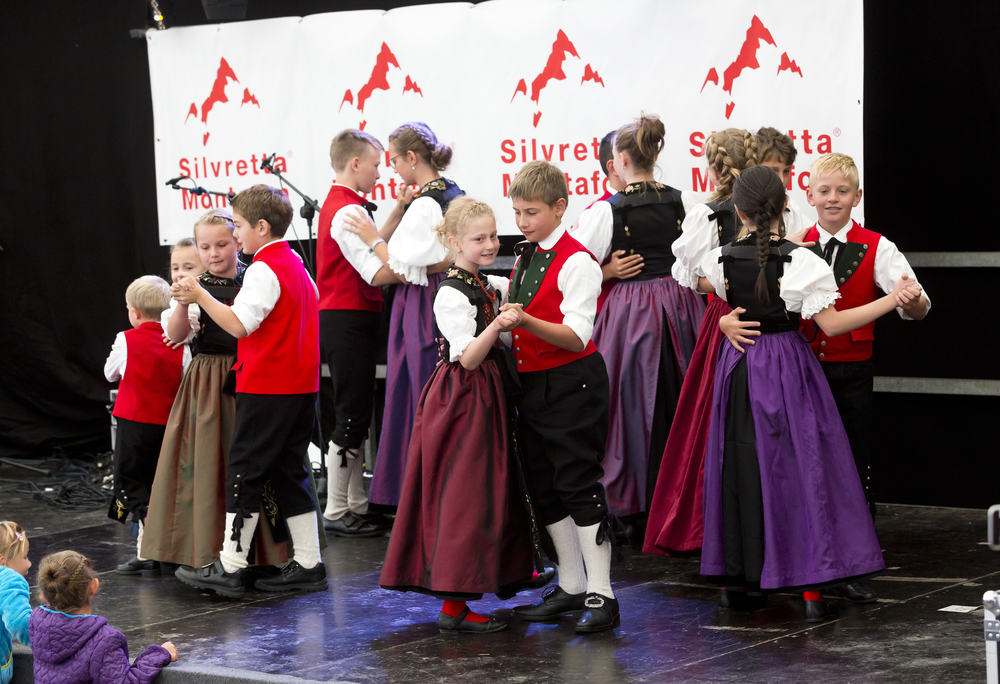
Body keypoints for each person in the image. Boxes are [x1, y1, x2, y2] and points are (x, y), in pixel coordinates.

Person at [698, 166, 919, 622]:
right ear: (785, 206)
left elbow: (704, 287)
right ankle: (809, 583)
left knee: (742, 468)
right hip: (785, 370)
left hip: (740, 369)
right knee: (801, 470)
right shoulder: (802, 261)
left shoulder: (720, 257)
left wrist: (723, 320)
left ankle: (738, 580)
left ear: (738, 210)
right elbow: (832, 324)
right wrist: (891, 300)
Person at [379, 197, 534, 634]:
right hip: (461, 398)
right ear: (452, 242)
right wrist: (498, 327)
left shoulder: (482, 282)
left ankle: (494, 575)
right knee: (463, 495)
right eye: (479, 238)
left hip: (483, 393)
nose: (489, 244)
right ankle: (453, 602)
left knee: (487, 489)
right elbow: (466, 357)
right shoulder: (450, 291)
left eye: (491, 236)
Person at [173, 184, 325, 597]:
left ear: (260, 225)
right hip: (300, 386)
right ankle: (309, 562)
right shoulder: (295, 263)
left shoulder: (264, 267)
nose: (236, 235)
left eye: (238, 226)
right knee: (290, 471)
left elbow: (239, 325)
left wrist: (200, 293)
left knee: (245, 471)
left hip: (269, 385)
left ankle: (231, 565)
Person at [498, 161, 619, 634]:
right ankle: (570, 584)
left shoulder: (578, 260)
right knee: (544, 484)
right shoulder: (528, 255)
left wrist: (522, 321)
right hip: (534, 385)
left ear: (560, 207)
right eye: (517, 212)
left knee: (578, 483)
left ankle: (602, 593)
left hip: (573, 383)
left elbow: (575, 335)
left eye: (531, 212)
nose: (522, 222)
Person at [572, 114, 704, 527]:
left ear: (622, 160)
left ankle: (632, 503)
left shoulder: (606, 211)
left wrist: (607, 271)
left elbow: (574, 264)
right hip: (682, 308)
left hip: (631, 315)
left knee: (628, 405)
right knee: (682, 397)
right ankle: (681, 499)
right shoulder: (686, 202)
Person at [142, 209, 287, 573]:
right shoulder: (196, 285)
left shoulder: (255, 277)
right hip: (208, 382)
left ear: (237, 241)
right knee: (207, 463)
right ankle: (206, 549)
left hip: (253, 377)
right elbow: (176, 336)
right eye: (205, 247)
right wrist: (182, 301)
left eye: (222, 244)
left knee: (255, 463)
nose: (214, 253)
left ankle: (263, 552)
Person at [642, 127, 758, 556]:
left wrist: (722, 284)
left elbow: (686, 273)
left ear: (711, 167)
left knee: (715, 418)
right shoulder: (712, 214)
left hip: (729, 316)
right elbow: (690, 273)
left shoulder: (708, 213)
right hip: (754, 319)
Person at [342, 122, 459, 510]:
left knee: (416, 390)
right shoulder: (452, 193)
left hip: (422, 304)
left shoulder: (426, 203)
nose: (391, 169)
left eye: (393, 160)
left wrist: (372, 237)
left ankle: (420, 494)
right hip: (443, 292)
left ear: (412, 158)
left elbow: (401, 267)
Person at [316, 129, 402, 538]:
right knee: (350, 411)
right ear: (355, 164)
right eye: (374, 164)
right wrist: (423, 268)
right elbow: (376, 269)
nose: (379, 172)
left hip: (353, 315)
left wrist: (398, 212)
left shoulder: (349, 208)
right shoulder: (346, 211)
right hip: (346, 317)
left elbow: (370, 245)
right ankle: (335, 509)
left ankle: (354, 503)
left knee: (357, 410)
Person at [105, 276, 189, 575]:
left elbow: (110, 374)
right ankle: (158, 544)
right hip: (167, 426)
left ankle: (143, 545)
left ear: (135, 313)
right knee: (159, 484)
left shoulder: (126, 338)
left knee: (129, 482)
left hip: (133, 424)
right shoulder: (180, 343)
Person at [30, 551, 177, 683]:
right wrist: (158, 655)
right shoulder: (104, 641)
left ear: (44, 595)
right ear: (94, 586)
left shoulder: (37, 622)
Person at [754, 127, 808, 234]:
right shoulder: (737, 211)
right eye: (773, 171)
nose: (782, 180)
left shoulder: (793, 211)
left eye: (786, 171)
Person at [0, 522, 31, 684]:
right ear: (3, 561)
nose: (29, 563)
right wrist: (47, 643)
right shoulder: (9, 579)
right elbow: (19, 622)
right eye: (25, 557)